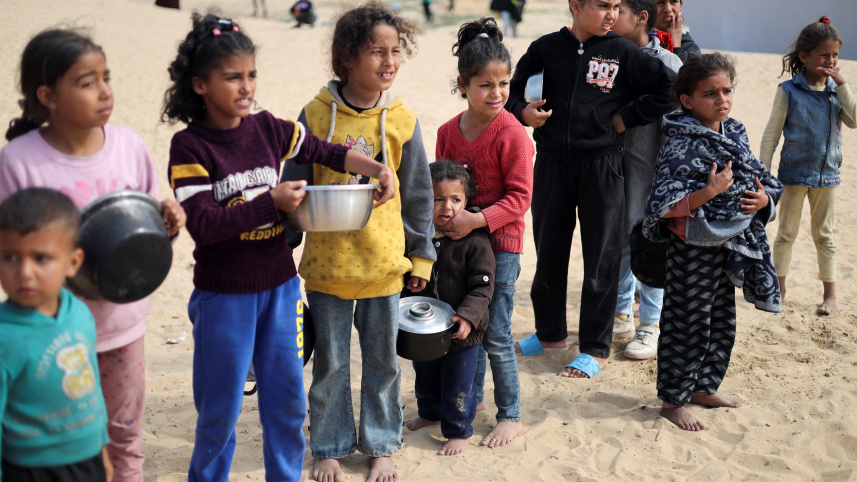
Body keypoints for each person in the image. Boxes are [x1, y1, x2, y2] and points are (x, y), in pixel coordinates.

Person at [161, 13, 395, 481]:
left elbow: (323, 150)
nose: (246, 87)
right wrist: (271, 202)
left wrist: (375, 170)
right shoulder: (190, 148)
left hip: (282, 291)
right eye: (232, 77)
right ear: (200, 85)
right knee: (219, 415)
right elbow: (205, 226)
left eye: (251, 75)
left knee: (286, 408)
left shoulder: (268, 128)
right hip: (224, 297)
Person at [0, 28, 186, 482]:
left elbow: (143, 235)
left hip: (123, 325)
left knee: (124, 434)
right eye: (87, 82)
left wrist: (169, 222)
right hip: (49, 334)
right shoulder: (19, 162)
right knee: (61, 437)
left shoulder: (128, 146)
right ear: (48, 95)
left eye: (107, 77)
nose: (105, 91)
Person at [280, 3, 434, 481]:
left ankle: (381, 444)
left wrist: (421, 257)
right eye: (376, 52)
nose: (388, 61)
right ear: (347, 57)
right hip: (327, 266)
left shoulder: (402, 120)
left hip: (384, 265)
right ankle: (328, 443)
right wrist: (280, 245)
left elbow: (418, 194)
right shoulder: (314, 114)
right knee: (328, 364)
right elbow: (294, 184)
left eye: (395, 52)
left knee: (383, 364)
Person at [505, 0, 673, 379]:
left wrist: (623, 118)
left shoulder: (623, 52)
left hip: (602, 167)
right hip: (550, 163)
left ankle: (595, 348)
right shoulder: (545, 47)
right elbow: (513, 91)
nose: (611, 13)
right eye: (602, 5)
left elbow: (669, 87)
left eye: (616, 5)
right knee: (549, 251)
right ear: (575, 5)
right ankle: (550, 334)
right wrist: (522, 112)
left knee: (602, 257)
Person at [642, 52, 783, 431]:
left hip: (730, 243)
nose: (721, 100)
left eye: (727, 91)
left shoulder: (734, 130)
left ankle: (704, 387)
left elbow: (758, 174)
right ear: (687, 100)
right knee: (686, 323)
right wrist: (710, 191)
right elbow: (663, 203)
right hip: (691, 248)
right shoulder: (679, 140)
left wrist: (764, 199)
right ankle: (673, 400)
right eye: (710, 93)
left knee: (721, 321)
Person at [434, 17, 532, 447]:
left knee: (494, 332)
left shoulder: (512, 132)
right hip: (459, 249)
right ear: (463, 84)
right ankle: (463, 410)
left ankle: (510, 413)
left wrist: (477, 219)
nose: (497, 94)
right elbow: (440, 188)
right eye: (485, 85)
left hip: (501, 247)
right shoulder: (445, 133)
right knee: (462, 329)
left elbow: (520, 198)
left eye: (504, 84)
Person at [0, 188, 111, 481]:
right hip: (29, 470)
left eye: (41, 258)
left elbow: (92, 387)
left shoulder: (80, 313)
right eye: (9, 257)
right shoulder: (4, 337)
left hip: (88, 463)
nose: (24, 272)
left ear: (73, 262)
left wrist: (102, 449)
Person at [760, 16, 856, 316]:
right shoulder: (788, 91)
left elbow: (854, 120)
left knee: (824, 236)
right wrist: (763, 172)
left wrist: (843, 86)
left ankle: (830, 295)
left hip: (828, 176)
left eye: (835, 55)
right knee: (786, 233)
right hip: (792, 174)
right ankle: (780, 288)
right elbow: (771, 135)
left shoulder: (835, 92)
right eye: (824, 55)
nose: (831, 60)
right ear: (805, 56)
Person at [403, 161, 495, 456]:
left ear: (466, 201)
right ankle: (429, 413)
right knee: (425, 375)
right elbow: (406, 274)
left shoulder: (475, 239)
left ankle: (458, 431)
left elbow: (483, 285)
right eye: (437, 198)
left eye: (456, 199)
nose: (447, 206)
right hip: (426, 331)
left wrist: (468, 316)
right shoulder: (418, 235)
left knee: (458, 383)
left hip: (461, 331)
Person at [610, 0, 682, 360]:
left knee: (650, 247)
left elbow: (679, 132)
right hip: (613, 174)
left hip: (651, 176)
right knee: (618, 247)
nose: (610, 16)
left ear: (640, 18)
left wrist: (669, 184)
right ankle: (621, 315)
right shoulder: (607, 58)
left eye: (617, 10)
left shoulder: (667, 64)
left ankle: (650, 325)